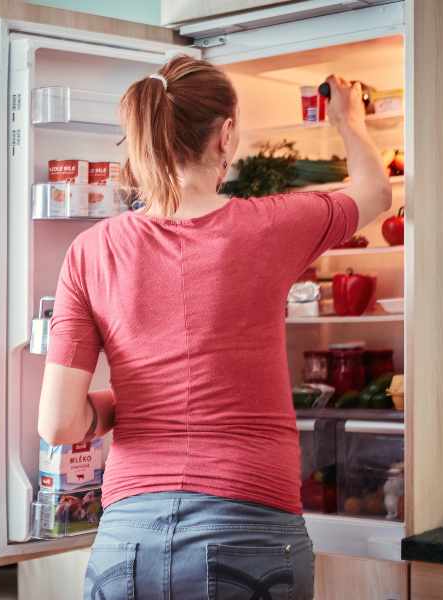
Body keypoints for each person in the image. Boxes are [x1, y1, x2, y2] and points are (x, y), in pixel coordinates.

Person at [37, 55, 392, 599]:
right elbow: (375, 191)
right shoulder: (269, 225)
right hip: (249, 529)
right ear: (225, 137)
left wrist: (134, 397)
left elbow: (59, 423)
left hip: (127, 539)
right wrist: (349, 120)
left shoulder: (91, 250)